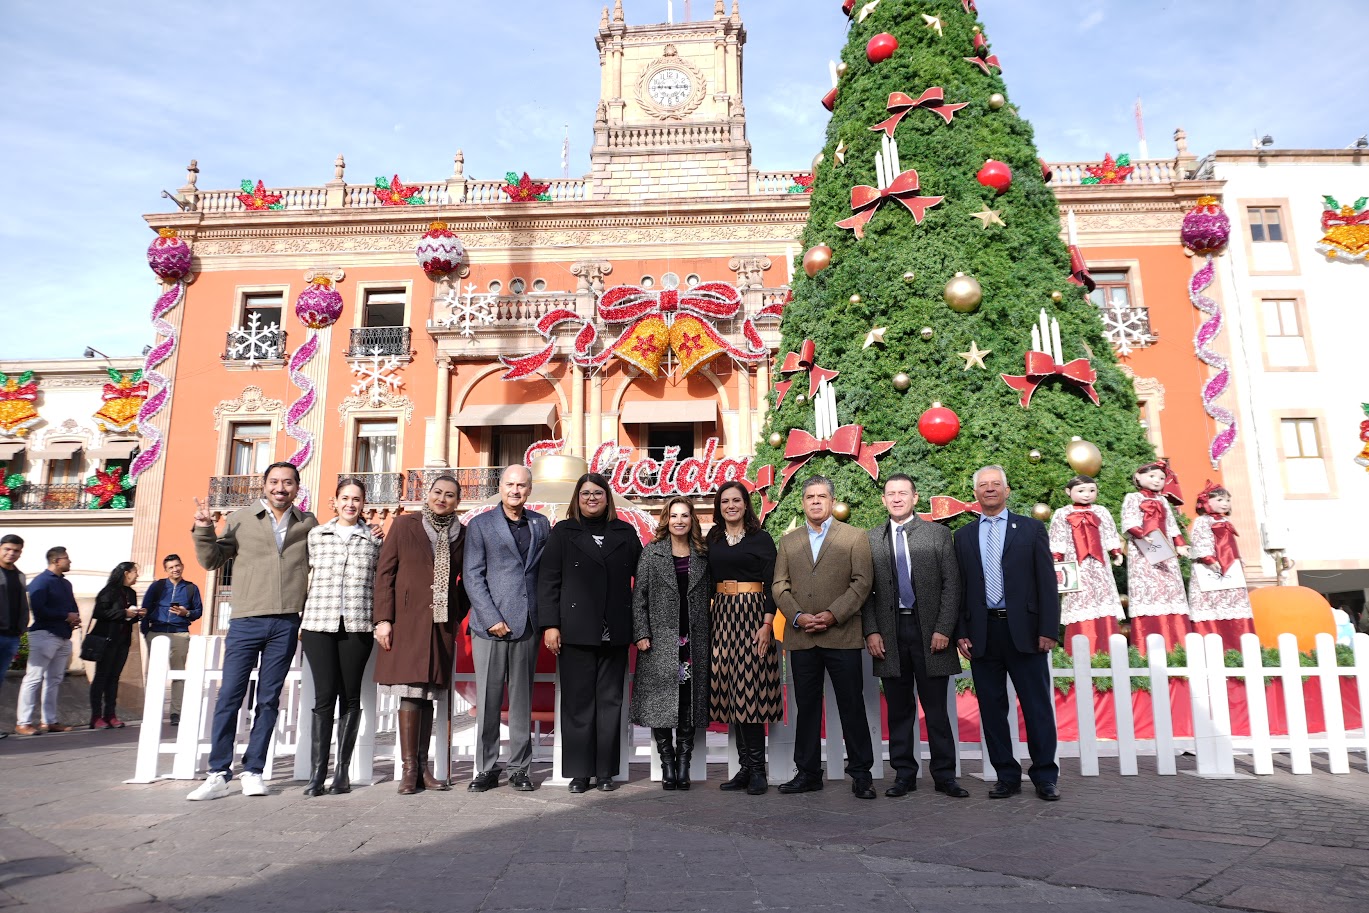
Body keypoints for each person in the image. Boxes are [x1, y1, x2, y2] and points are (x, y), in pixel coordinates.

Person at [187, 462, 318, 800]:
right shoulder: (241, 518)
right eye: (274, 481)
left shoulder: (308, 523)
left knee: (269, 699)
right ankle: (217, 772)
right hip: (245, 619)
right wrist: (203, 529)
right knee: (230, 695)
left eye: (287, 482)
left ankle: (254, 771)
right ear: (264, 485)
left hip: (286, 621)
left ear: (297, 487)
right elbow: (213, 560)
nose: (280, 488)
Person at [954, 465, 1061, 801]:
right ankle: (1006, 775)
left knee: (1037, 707)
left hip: (1026, 633)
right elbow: (959, 588)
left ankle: (1045, 776)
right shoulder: (964, 536)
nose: (989, 489)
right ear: (975, 493)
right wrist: (960, 631)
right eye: (983, 485)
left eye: (995, 484)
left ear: (1007, 490)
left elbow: (1046, 582)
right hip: (983, 634)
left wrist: (1048, 629)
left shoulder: (1030, 530)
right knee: (992, 709)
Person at [862, 474, 969, 799]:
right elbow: (865, 592)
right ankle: (904, 774)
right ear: (883, 500)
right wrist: (872, 631)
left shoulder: (938, 534)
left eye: (902, 493)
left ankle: (945, 776)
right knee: (899, 709)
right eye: (890, 494)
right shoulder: (871, 539)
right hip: (890, 634)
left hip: (930, 632)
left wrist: (943, 629)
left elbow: (953, 585)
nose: (896, 498)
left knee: (936, 709)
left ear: (915, 497)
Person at [772, 475, 876, 799]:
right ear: (802, 503)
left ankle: (861, 774)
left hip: (842, 635)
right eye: (809, 497)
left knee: (851, 705)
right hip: (802, 637)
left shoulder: (855, 537)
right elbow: (779, 586)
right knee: (806, 708)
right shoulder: (789, 542)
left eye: (821, 497)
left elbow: (862, 582)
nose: (815, 501)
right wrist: (799, 617)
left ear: (831, 501)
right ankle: (807, 773)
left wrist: (833, 614)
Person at [539, 472, 642, 793]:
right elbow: (548, 581)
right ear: (577, 499)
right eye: (585, 494)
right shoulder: (562, 533)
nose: (591, 498)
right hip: (575, 631)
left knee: (610, 703)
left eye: (597, 493)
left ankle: (606, 771)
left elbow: (645, 580)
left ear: (607, 498)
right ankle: (580, 772)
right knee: (577, 704)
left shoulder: (625, 533)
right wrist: (550, 625)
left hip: (615, 631)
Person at [374, 474, 467, 795]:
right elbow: (385, 572)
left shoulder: (461, 534)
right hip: (406, 621)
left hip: (440, 624)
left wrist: (456, 615)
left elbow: (467, 581)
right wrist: (383, 618)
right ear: (428, 495)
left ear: (458, 501)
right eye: (438, 492)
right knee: (410, 691)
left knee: (428, 694)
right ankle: (409, 770)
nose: (442, 499)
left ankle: (423, 770)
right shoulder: (404, 525)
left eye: (450, 495)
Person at [463, 465, 549, 793]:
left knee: (521, 701)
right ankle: (486, 769)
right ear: (501, 487)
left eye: (522, 486)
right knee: (488, 701)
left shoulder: (541, 525)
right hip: (490, 627)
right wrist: (491, 617)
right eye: (510, 484)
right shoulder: (481, 525)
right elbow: (473, 574)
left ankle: (519, 768)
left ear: (530, 490)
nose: (516, 490)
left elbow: (543, 573)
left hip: (528, 624)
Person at [299, 478, 382, 797]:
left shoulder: (373, 539)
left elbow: (380, 580)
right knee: (323, 698)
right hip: (319, 623)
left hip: (358, 625)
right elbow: (303, 577)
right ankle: (317, 773)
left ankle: (342, 773)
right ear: (334, 501)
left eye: (357, 499)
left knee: (350, 696)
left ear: (364, 503)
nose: (351, 503)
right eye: (345, 498)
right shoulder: (316, 536)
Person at [706, 479, 782, 795]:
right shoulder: (711, 538)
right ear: (718, 507)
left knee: (752, 691)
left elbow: (774, 583)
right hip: (722, 615)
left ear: (745, 504)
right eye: (725, 502)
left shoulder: (761, 538)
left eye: (736, 500)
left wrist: (767, 624)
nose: (731, 506)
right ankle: (744, 769)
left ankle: (758, 771)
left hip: (753, 615)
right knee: (730, 692)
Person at [631, 496, 712, 791]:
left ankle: (683, 765)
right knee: (660, 703)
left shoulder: (703, 554)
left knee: (688, 701)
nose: (679, 521)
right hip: (660, 640)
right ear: (667, 519)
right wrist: (641, 633)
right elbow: (638, 596)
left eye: (685, 516)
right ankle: (667, 764)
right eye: (674, 515)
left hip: (694, 639)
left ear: (692, 520)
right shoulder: (652, 553)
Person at [1048, 475, 1125, 656]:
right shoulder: (1062, 513)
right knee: (1079, 599)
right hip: (1075, 566)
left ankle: (1107, 653)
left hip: (1099, 567)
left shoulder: (1101, 511)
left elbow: (1109, 533)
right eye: (1081, 491)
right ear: (1069, 492)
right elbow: (1057, 538)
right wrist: (1056, 559)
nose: (1087, 495)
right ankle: (1081, 651)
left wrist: (1115, 552)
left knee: (1103, 597)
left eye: (1091, 490)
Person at [1122, 460, 1192, 655]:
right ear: (1138, 477)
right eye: (1152, 476)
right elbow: (1129, 522)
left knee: (1170, 592)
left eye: (1161, 478)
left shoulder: (1163, 501)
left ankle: (1177, 647)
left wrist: (1181, 544)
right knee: (1149, 591)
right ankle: (1147, 649)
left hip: (1165, 553)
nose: (1157, 481)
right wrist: (1142, 535)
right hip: (1144, 552)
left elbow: (1171, 526)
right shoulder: (1133, 498)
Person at [14, 546, 80, 735]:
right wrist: (65, 616)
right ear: (56, 561)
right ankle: (23, 722)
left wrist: (74, 618)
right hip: (44, 634)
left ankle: (49, 721)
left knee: (54, 680)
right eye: (66, 558)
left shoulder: (65, 584)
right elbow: (38, 609)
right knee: (33, 678)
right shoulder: (41, 582)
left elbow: (71, 606)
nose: (70, 562)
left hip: (63, 635)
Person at [1186, 482, 1256, 651]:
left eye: (1227, 500)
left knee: (1234, 605)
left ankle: (1237, 645)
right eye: (1220, 499)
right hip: (1210, 569)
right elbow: (1200, 541)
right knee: (1211, 605)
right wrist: (1209, 559)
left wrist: (1238, 558)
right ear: (1206, 502)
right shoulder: (1202, 521)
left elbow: (1230, 544)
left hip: (1230, 569)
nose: (1225, 503)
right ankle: (1211, 643)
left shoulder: (1226, 520)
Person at [140, 553, 204, 726]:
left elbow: (198, 611)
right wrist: (146, 632)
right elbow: (145, 609)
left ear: (182, 566)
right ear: (166, 570)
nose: (175, 569)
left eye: (177, 566)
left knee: (179, 674)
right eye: (171, 567)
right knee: (155, 674)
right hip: (156, 633)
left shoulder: (191, 588)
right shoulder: (157, 586)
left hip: (180, 633)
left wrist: (186, 613)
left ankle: (176, 712)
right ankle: (153, 711)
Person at [88, 562, 142, 729]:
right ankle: (96, 716)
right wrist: (123, 613)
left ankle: (110, 714)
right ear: (126, 573)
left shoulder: (131, 593)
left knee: (114, 678)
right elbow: (99, 612)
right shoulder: (109, 591)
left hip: (123, 641)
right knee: (101, 677)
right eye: (135, 572)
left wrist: (137, 615)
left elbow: (129, 618)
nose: (137, 576)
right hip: (107, 640)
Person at [0, 534, 29, 738]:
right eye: (7, 549)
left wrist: (20, 629)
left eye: (16, 550)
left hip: (11, 636)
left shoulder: (19, 575)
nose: (11, 553)